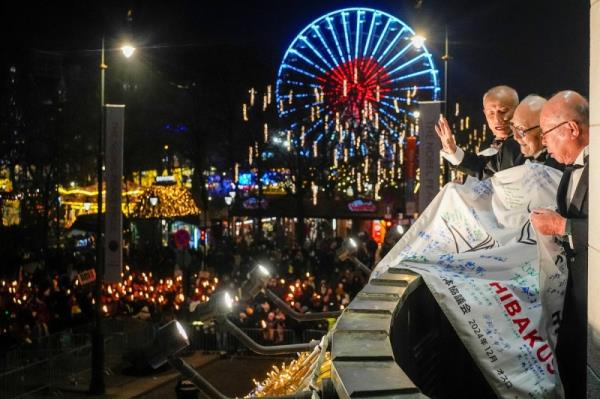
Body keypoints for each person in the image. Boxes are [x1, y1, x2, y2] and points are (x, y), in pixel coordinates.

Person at [530, 90, 589, 398]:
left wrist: (563, 226)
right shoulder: (570, 170)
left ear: (572, 129)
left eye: (548, 134)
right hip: (571, 304)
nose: (545, 144)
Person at [435, 85, 524, 179]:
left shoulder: (526, 143)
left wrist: (455, 152)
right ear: (485, 114)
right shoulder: (485, 145)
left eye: (503, 111)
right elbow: (481, 174)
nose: (497, 120)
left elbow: (483, 169)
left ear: (518, 110)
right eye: (491, 113)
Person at [509, 94, 563, 169]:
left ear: (544, 129)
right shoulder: (512, 151)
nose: (516, 137)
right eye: (513, 127)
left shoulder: (564, 161)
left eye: (521, 130)